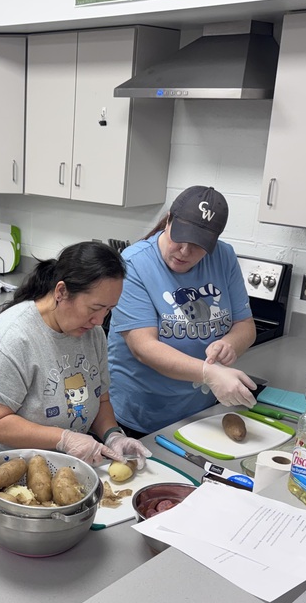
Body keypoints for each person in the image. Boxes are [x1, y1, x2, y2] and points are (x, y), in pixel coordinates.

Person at [0, 241, 152, 511]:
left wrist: (112, 435)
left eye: (109, 309)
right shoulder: (14, 337)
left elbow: (100, 400)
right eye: (94, 308)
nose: (101, 320)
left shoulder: (92, 332)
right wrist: (64, 438)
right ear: (61, 292)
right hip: (5, 475)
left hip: (61, 473)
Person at [107, 186, 258, 436]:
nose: (185, 252)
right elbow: (143, 348)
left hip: (201, 412)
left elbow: (245, 326)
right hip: (142, 414)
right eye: (180, 238)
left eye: (198, 246)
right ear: (168, 221)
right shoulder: (133, 264)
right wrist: (209, 372)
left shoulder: (224, 257)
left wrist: (230, 344)